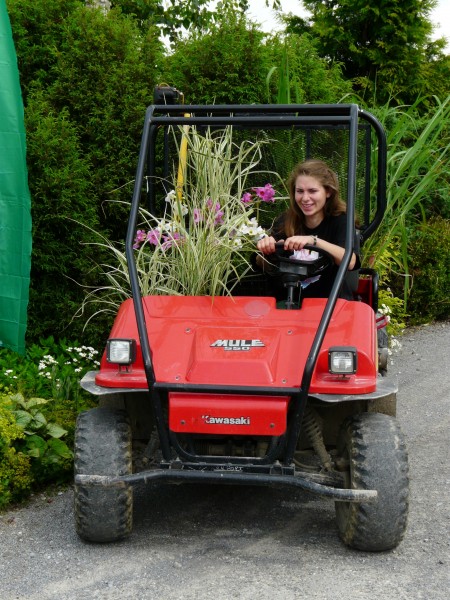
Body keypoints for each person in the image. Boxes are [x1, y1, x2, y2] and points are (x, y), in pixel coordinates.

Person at [256, 159, 360, 300]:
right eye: (300, 191)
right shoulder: (287, 220)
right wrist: (266, 249)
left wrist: (313, 241)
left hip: (329, 307)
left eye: (312, 191)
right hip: (289, 305)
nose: (305, 198)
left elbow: (350, 261)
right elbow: (261, 263)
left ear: (328, 192)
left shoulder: (341, 220)